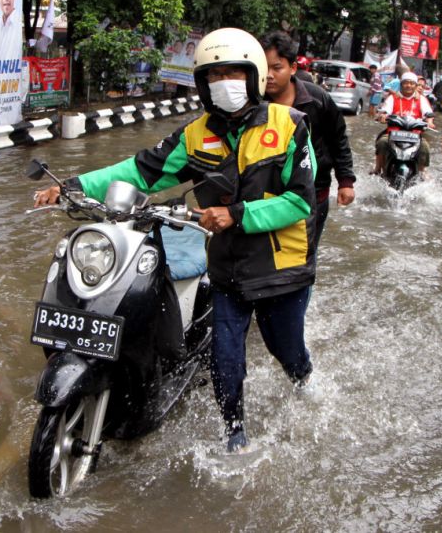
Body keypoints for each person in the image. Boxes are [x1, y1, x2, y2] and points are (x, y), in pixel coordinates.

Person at [33, 28, 318, 454]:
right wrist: (72, 185)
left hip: (282, 269)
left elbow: (300, 202)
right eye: (214, 74)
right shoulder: (195, 135)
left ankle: (304, 382)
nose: (225, 82)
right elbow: (140, 170)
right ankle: (235, 434)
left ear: (254, 75)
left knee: (286, 351)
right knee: (225, 362)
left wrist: (236, 214)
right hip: (228, 268)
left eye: (233, 73)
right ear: (203, 84)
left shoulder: (290, 126)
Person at [261, 31, 354, 243]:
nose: (269, 75)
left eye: (277, 68)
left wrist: (345, 181)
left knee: (305, 253)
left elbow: (338, 139)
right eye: (264, 68)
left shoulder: (317, 99)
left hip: (314, 193)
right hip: (266, 196)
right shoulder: (254, 102)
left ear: (293, 68)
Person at [372, 71, 435, 176]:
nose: (408, 85)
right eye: (406, 83)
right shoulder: (393, 98)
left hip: (414, 135)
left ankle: (422, 171)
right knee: (382, 143)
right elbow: (385, 111)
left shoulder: (421, 99)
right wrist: (383, 116)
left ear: (415, 85)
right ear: (401, 84)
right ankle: (378, 168)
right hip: (393, 134)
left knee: (425, 147)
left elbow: (428, 114)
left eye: (411, 83)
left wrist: (430, 122)